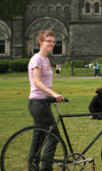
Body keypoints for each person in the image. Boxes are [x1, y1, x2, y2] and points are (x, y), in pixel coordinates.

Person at [27, 30, 65, 169]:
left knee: (38, 138)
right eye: (48, 41)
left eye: (54, 42)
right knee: (54, 137)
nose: (52, 44)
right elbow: (37, 82)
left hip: (43, 102)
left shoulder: (46, 59)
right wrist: (54, 94)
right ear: (40, 42)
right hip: (38, 102)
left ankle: (33, 168)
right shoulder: (37, 59)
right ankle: (45, 168)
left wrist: (52, 97)